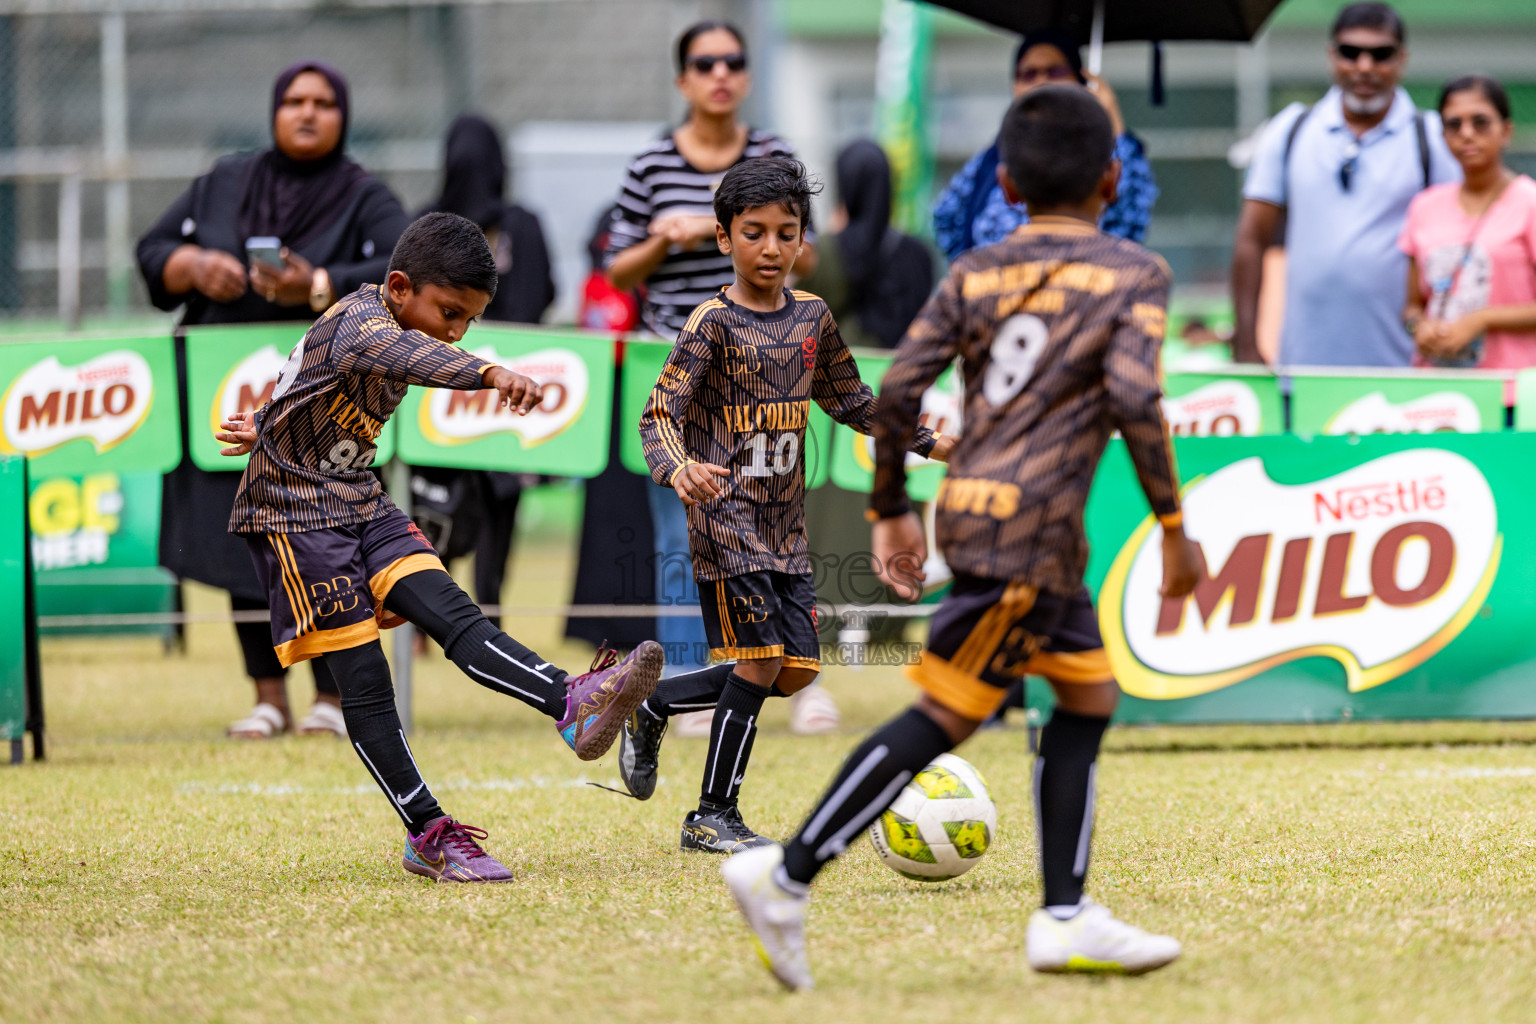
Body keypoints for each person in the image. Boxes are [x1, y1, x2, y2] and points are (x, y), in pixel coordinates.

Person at [721, 87, 1202, 989]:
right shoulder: (1136, 273)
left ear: (1009, 183)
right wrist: (1174, 527)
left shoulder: (976, 270)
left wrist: (891, 507)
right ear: (1112, 176)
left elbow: (899, 386)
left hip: (992, 519)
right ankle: (786, 875)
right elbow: (1139, 400)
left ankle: (1065, 914)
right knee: (948, 712)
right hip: (1030, 533)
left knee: (1089, 697)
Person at [214, 212, 663, 882]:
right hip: (296, 516)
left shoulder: (381, 320)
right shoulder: (365, 322)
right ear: (399, 287)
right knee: (365, 684)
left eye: (470, 321)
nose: (456, 330)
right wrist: (486, 371)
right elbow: (399, 355)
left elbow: (304, 376)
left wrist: (271, 424)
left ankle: (572, 703)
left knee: (453, 611)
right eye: (450, 312)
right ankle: (427, 832)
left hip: (356, 497)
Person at [621, 158, 953, 852]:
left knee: (791, 669)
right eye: (754, 233)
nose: (771, 248)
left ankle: (654, 704)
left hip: (785, 526)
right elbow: (659, 413)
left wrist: (923, 439)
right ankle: (712, 814)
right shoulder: (711, 322)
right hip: (725, 520)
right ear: (722, 238)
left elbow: (854, 402)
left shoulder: (813, 319)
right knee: (759, 658)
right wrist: (679, 470)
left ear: (804, 240)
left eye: (786, 233)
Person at [136, 61, 411, 739]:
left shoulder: (364, 195)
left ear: (343, 114)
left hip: (323, 399)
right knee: (241, 538)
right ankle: (267, 698)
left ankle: (328, 696)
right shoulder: (226, 181)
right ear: (274, 110)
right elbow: (152, 251)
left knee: (325, 538)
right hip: (221, 394)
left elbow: (404, 269)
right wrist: (194, 266)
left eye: (323, 102)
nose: (307, 112)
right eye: (293, 100)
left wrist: (315, 287)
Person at [606, 20, 817, 705]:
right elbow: (616, 269)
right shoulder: (651, 164)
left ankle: (779, 669)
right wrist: (667, 241)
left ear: (748, 75)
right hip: (676, 364)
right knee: (681, 527)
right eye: (704, 62)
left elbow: (808, 254)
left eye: (733, 61)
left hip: (766, 370)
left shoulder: (776, 153)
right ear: (683, 79)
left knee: (774, 520)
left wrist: (710, 228)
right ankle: (684, 681)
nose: (719, 73)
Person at [1231, 2, 1459, 366]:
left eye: (1380, 54)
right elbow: (1252, 238)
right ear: (1331, 56)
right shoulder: (1290, 130)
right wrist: (1245, 344)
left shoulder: (1431, 138)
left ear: (1402, 59)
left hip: (1407, 367)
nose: (1364, 67)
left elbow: (1458, 240)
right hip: (1305, 366)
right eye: (1350, 53)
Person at [414, 113, 558, 625]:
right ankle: (486, 612)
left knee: (438, 497)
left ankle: (437, 613)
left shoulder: (431, 222)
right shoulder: (520, 222)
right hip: (477, 387)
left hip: (464, 389)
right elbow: (546, 293)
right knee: (488, 500)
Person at [932, 29, 1157, 264]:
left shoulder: (1100, 149)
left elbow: (1132, 217)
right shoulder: (994, 156)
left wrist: (1111, 120)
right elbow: (946, 217)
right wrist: (978, 273)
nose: (1041, 82)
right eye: (1028, 74)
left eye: (1055, 72)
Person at [1399, 75, 1536, 384]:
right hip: (1438, 388)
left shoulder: (1529, 203)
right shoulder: (1424, 207)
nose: (1467, 134)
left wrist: (1482, 319)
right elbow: (1411, 306)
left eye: (1480, 122)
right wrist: (1419, 327)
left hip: (1514, 391)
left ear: (1507, 131)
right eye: (1454, 125)